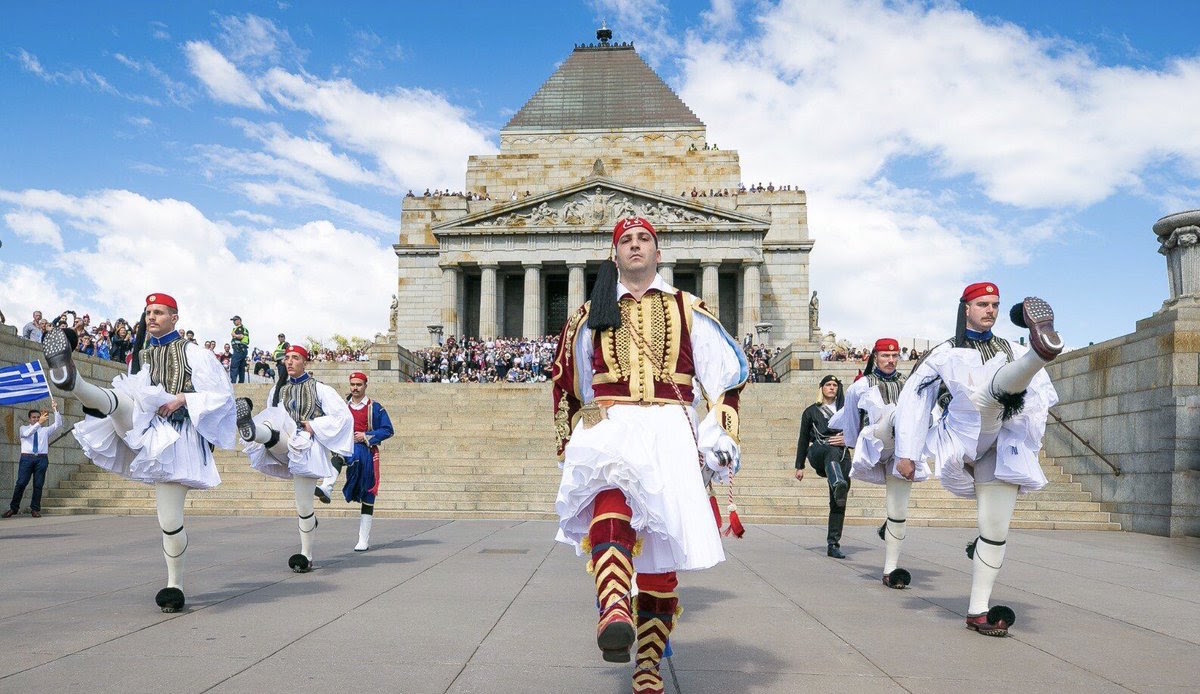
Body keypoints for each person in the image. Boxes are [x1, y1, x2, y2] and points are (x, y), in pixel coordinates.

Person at [552, 217, 748, 693]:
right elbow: (569, 382)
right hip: (614, 424)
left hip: (668, 429)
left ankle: (648, 665)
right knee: (610, 501)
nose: (635, 246)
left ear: (658, 253)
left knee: (660, 559)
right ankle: (614, 603)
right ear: (614, 254)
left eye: (644, 240)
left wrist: (719, 429)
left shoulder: (688, 309)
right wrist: (569, 443)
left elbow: (725, 379)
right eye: (626, 241)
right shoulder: (589, 314)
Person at [41, 293, 236, 612]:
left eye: (159, 312)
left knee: (170, 521)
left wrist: (182, 400)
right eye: (148, 312)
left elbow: (222, 396)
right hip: (139, 423)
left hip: (175, 438)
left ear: (175, 317)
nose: (151, 317)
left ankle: (175, 585)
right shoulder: (143, 357)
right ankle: (71, 379)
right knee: (119, 402)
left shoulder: (195, 354)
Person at [894, 283, 1062, 637]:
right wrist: (906, 453)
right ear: (965, 308)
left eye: (996, 305)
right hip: (962, 434)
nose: (990, 310)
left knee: (995, 530)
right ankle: (1040, 354)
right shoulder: (945, 351)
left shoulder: (1009, 348)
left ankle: (978, 612)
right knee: (987, 398)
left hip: (1000, 442)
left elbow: (1041, 398)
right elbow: (914, 399)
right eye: (982, 304)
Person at [236, 345, 353, 573]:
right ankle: (251, 430)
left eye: (295, 358)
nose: (289, 362)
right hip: (281, 440)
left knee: (303, 505)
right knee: (271, 422)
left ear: (305, 363)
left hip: (306, 447)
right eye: (287, 358)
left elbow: (343, 417)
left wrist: (314, 425)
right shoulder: (278, 390)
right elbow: (274, 413)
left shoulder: (321, 389)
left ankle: (306, 555)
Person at [829, 338, 922, 587]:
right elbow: (850, 418)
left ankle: (891, 569)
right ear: (875, 357)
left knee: (898, 510)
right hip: (875, 446)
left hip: (902, 451)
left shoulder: (908, 384)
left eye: (894, 356)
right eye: (885, 356)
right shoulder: (859, 387)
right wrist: (849, 441)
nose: (890, 361)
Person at [316, 371, 393, 551]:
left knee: (368, 495)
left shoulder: (375, 407)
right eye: (353, 385)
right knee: (340, 453)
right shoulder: (342, 407)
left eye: (359, 385)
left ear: (365, 385)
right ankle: (327, 486)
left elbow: (388, 430)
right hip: (347, 447)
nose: (355, 388)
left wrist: (366, 436)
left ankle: (363, 539)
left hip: (366, 451)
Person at [794, 375, 850, 558]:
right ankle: (837, 482)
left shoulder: (847, 411)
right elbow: (803, 439)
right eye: (828, 385)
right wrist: (799, 465)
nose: (832, 388)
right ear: (822, 388)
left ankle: (833, 544)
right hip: (818, 450)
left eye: (835, 385)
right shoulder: (811, 411)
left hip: (841, 453)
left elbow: (861, 432)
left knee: (838, 501)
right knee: (830, 450)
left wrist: (848, 439)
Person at [4, 399, 62, 518]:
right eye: (34, 417)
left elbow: (58, 425)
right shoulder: (23, 428)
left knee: (38, 485)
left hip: (41, 459)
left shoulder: (45, 430)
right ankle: (13, 508)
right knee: (21, 483)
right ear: (29, 419)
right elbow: (28, 434)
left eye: (38, 417)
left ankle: (35, 509)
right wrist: (38, 423)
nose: (36, 419)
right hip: (27, 459)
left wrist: (55, 409)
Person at [229, 316, 250, 383]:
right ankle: (241, 383)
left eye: (235, 320)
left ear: (239, 320)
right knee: (241, 367)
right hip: (243, 349)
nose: (234, 322)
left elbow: (241, 336)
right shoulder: (244, 328)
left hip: (239, 349)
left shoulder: (240, 328)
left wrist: (234, 334)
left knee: (234, 366)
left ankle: (233, 383)